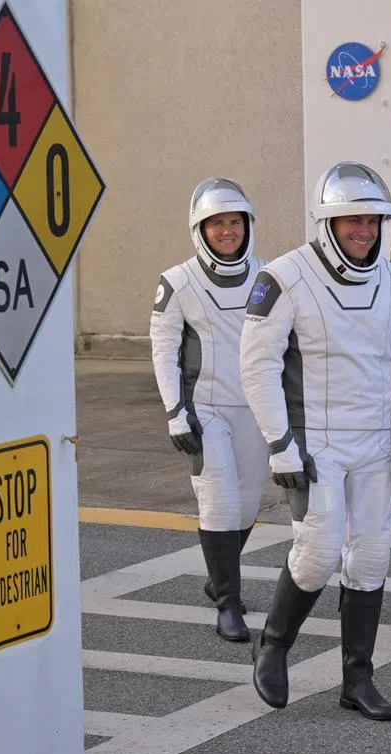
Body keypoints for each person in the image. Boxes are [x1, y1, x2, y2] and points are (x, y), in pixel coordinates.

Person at [241, 162, 391, 722]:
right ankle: (274, 647)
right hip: (312, 443)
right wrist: (280, 445)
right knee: (321, 549)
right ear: (328, 222)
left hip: (373, 441)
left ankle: (358, 678)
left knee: (372, 557)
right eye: (353, 220)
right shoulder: (282, 277)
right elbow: (256, 368)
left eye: (374, 221)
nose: (365, 231)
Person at [149, 177, 268, 644]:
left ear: (247, 225)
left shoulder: (268, 275)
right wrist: (176, 412)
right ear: (200, 229)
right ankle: (228, 603)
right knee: (218, 498)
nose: (227, 231)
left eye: (234, 222)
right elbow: (163, 350)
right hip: (205, 408)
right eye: (217, 223)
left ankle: (219, 576)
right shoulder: (177, 282)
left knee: (247, 503)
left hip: (257, 408)